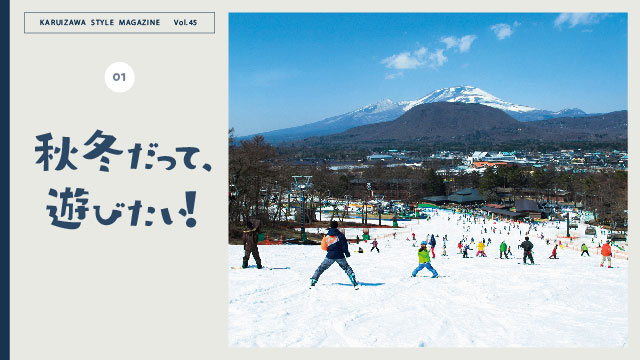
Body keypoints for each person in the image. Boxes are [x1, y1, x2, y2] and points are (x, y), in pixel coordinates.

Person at [310, 221, 358, 288]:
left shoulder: (327, 236)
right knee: (346, 267)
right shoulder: (340, 235)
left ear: (331, 226)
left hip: (330, 256)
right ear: (337, 226)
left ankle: (314, 279)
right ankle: (352, 278)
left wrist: (329, 250)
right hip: (340, 255)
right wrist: (347, 253)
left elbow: (323, 247)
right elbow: (344, 246)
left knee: (321, 268)